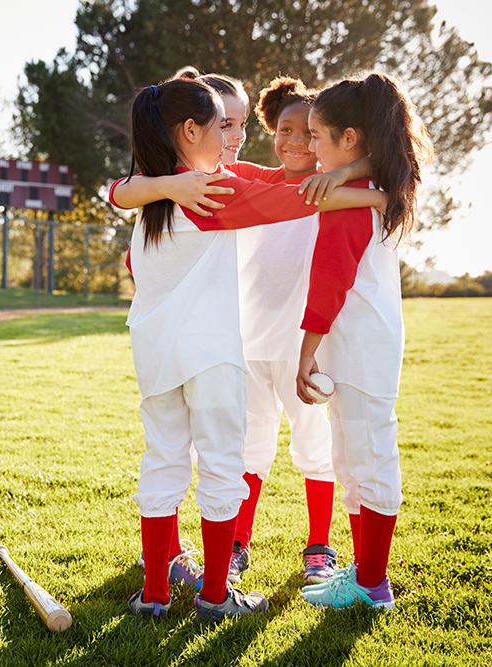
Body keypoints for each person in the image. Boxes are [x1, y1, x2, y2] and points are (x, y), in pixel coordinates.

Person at [120, 75, 387, 621]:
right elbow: (298, 199)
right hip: (212, 356)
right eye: (222, 126)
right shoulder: (210, 191)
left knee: (162, 464)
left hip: (154, 356)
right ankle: (216, 597)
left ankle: (154, 594)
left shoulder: (154, 191)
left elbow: (121, 189)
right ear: (192, 130)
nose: (230, 138)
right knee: (221, 467)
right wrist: (381, 191)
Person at [296, 72, 433, 610]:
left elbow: (330, 281)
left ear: (350, 138)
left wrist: (305, 353)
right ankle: (363, 574)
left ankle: (373, 585)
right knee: (352, 460)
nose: (309, 147)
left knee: (370, 459)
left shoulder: (354, 199)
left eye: (316, 136)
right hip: (359, 347)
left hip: (360, 349)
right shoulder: (369, 189)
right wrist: (352, 169)